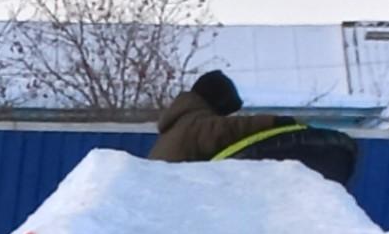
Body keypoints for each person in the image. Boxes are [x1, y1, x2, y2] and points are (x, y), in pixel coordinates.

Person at [150, 68, 362, 185]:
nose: (226, 117)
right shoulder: (194, 124)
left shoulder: (181, 122)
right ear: (214, 101)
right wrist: (274, 122)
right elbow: (228, 130)